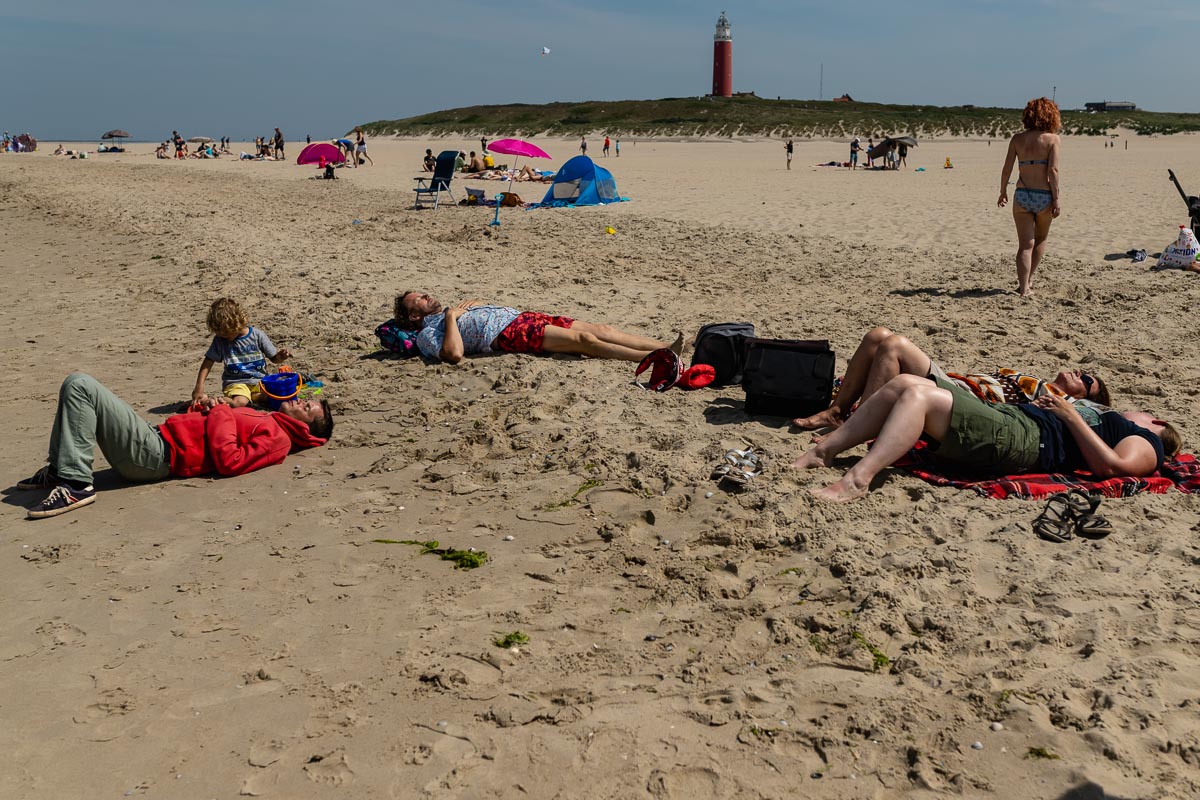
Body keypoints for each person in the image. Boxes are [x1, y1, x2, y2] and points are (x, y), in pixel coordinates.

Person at [792, 371, 1178, 503]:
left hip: (1028, 440)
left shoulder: (1149, 441)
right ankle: (825, 451)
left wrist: (1072, 416)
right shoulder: (1114, 421)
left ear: (1156, 422)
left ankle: (859, 478)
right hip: (1012, 421)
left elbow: (1112, 468)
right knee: (904, 383)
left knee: (918, 396)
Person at [16, 373, 332, 519]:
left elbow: (229, 460)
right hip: (159, 442)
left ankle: (77, 485)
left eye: (307, 408)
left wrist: (222, 411)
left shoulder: (278, 441)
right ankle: (62, 469)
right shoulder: (271, 420)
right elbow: (214, 430)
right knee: (77, 388)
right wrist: (205, 408)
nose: (299, 401)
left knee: (81, 385)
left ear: (307, 427)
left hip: (158, 456)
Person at [792, 326, 1111, 431]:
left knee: (893, 346)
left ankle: (856, 426)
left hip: (963, 400)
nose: (1080, 372)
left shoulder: (1061, 401)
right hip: (958, 385)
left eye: (1087, 380)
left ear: (1083, 397)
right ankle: (837, 411)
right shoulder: (1040, 386)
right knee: (878, 335)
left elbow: (1099, 418)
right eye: (1085, 371)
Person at [394, 292, 681, 364]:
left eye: (423, 293)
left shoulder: (453, 310)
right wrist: (451, 317)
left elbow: (479, 306)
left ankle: (664, 346)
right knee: (583, 339)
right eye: (418, 299)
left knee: (601, 328)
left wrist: (469, 308)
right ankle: (653, 358)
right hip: (506, 334)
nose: (426, 296)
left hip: (521, 317)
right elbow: (454, 354)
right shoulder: (427, 336)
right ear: (413, 318)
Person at [998, 97, 1062, 297]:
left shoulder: (1017, 139)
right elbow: (1053, 171)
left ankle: (1024, 287)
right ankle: (1029, 279)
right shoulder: (1052, 139)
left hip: (1022, 195)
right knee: (1041, 239)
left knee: (1025, 245)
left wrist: (1002, 191)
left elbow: (1007, 169)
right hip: (1044, 195)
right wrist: (1057, 198)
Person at [192, 298, 293, 408]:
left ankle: (253, 397)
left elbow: (274, 359)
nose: (223, 336)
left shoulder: (257, 336)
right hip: (236, 383)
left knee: (272, 398)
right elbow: (207, 363)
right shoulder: (220, 340)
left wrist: (281, 356)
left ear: (238, 323)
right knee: (239, 402)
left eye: (226, 333)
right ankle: (214, 401)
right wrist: (199, 387)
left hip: (259, 382)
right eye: (220, 333)